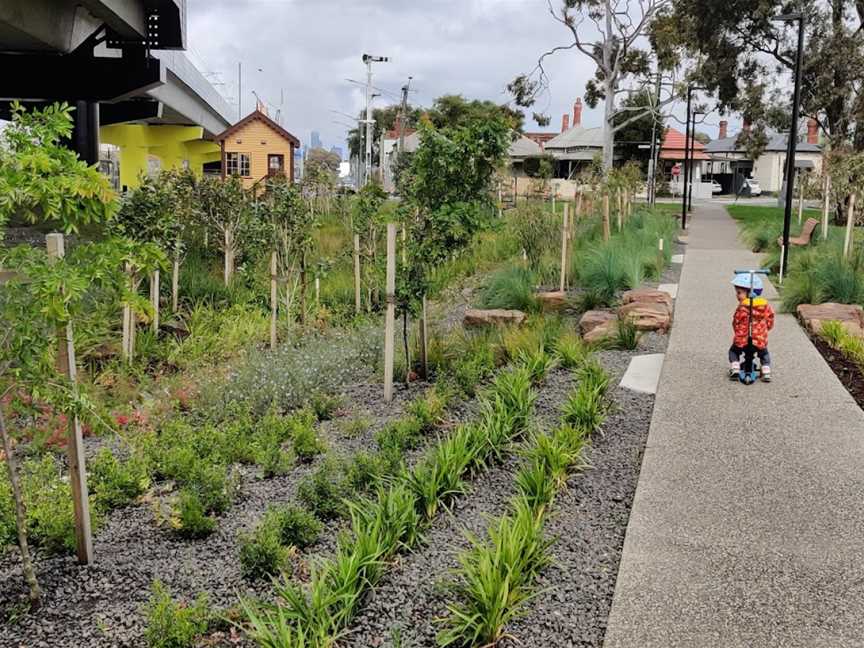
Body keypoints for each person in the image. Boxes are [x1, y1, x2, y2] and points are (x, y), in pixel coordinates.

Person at [729, 273, 775, 382]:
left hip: (742, 339)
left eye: (739, 293)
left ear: (750, 293)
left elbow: (736, 320)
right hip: (759, 338)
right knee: (763, 353)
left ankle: (735, 367)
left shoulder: (742, 307)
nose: (737, 295)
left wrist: (737, 331)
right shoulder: (765, 306)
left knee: (733, 351)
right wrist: (765, 329)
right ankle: (766, 369)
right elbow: (770, 318)